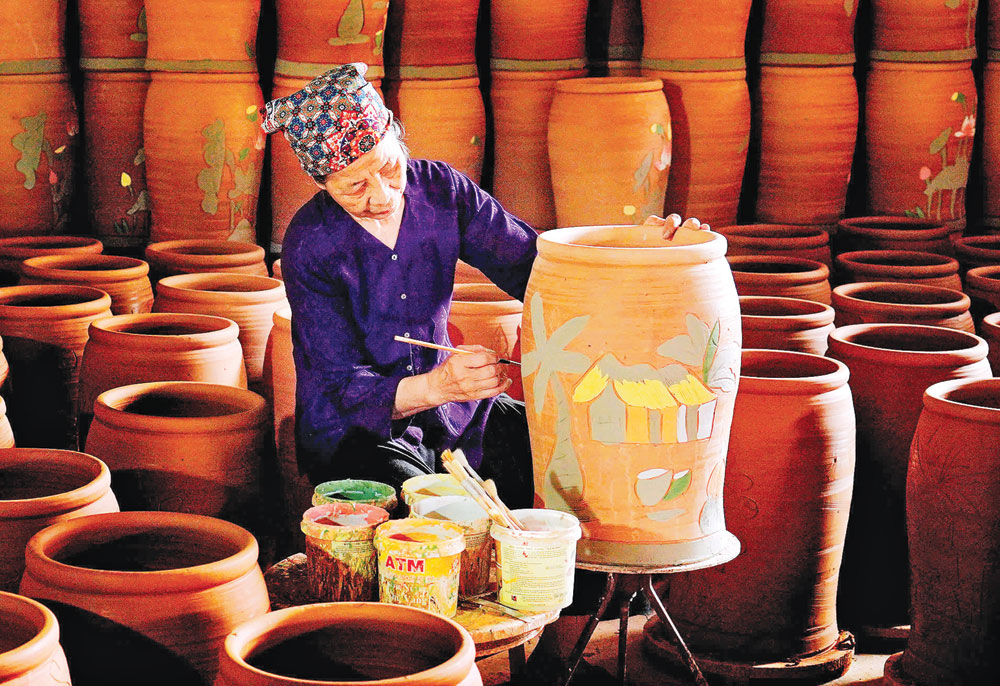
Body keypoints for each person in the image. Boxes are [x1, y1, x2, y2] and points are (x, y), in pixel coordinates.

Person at [262, 62, 708, 681]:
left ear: (397, 136)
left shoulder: (441, 190)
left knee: (565, 461)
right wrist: (437, 385)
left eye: (387, 168)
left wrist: (640, 250)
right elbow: (339, 387)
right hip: (362, 430)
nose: (381, 194)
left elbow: (539, 268)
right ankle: (431, 667)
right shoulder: (311, 243)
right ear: (322, 184)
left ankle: (557, 658)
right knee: (427, 523)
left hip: (452, 415)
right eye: (353, 187)